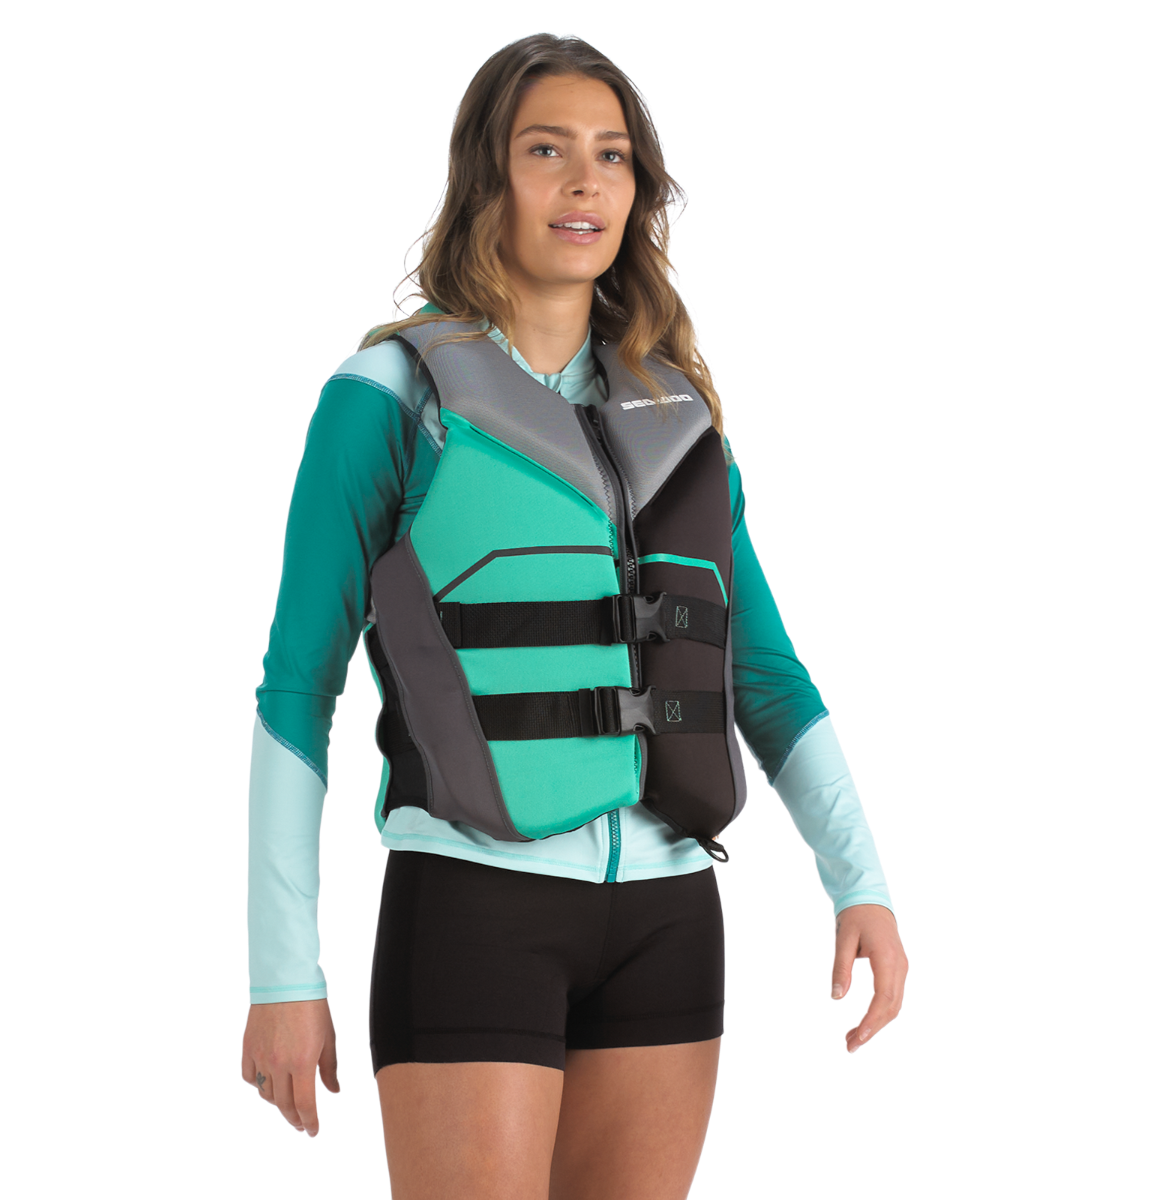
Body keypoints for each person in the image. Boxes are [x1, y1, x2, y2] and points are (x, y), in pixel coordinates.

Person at [241, 29, 909, 1196]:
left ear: (640, 191)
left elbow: (767, 678)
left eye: (612, 155)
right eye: (546, 150)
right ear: (485, 177)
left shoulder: (679, 417)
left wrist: (863, 886)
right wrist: (282, 975)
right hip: (475, 902)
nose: (584, 181)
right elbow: (300, 687)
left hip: (670, 917)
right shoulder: (388, 394)